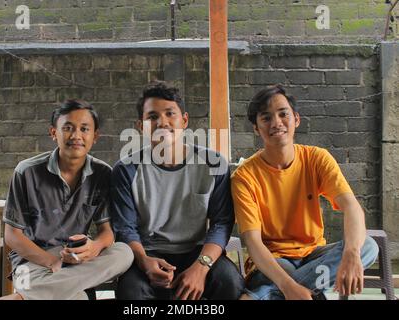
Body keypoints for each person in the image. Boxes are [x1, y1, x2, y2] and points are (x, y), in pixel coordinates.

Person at [231, 85, 379, 300]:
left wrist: (351, 253)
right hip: (274, 260)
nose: (276, 123)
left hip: (313, 255)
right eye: (266, 118)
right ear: (256, 128)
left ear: (296, 119)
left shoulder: (317, 159)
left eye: (283, 114)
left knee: (368, 247)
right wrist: (289, 286)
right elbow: (253, 242)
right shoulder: (244, 176)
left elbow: (351, 206)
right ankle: (294, 291)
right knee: (285, 273)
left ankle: (262, 296)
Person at [110, 81, 245, 300]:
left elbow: (221, 223)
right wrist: (145, 263)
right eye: (152, 117)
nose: (162, 122)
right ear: (140, 126)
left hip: (197, 251)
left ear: (184, 120)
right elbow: (125, 228)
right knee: (131, 292)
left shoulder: (213, 164)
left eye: (170, 114)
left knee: (229, 282)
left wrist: (201, 268)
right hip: (148, 252)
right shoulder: (125, 170)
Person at [0, 100, 133, 300]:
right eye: (68, 128)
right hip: (31, 262)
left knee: (124, 252)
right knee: (79, 299)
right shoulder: (26, 172)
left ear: (95, 136)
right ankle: (38, 292)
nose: (76, 135)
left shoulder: (102, 173)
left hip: (77, 258)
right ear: (54, 133)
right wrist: (52, 262)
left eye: (84, 129)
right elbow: (12, 236)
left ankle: (25, 298)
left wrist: (94, 247)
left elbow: (106, 232)